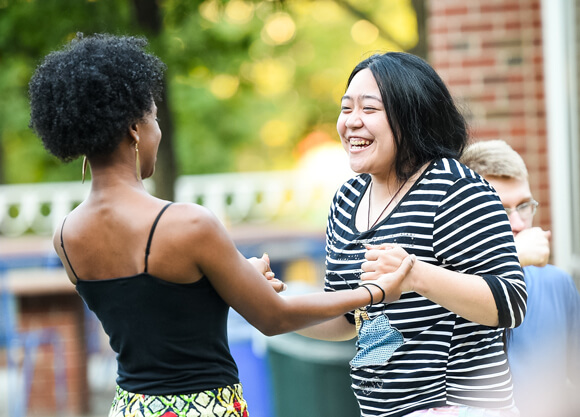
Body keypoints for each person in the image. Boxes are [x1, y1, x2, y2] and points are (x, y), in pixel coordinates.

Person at [28, 33, 415, 417]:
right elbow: (274, 317)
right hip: (203, 407)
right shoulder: (187, 223)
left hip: (132, 407)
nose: (157, 133)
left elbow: (152, 310)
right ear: (133, 128)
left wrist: (234, 276)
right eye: (154, 120)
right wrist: (373, 292)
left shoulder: (66, 235)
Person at [297, 52, 527, 417]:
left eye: (369, 109)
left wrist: (415, 274)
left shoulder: (454, 188)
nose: (352, 122)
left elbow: (511, 302)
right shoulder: (346, 199)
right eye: (346, 108)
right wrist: (269, 305)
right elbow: (347, 321)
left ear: (412, 114)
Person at [461, 139, 580, 417]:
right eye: (500, 210)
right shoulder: (441, 290)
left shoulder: (557, 284)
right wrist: (509, 259)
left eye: (524, 206)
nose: (518, 224)